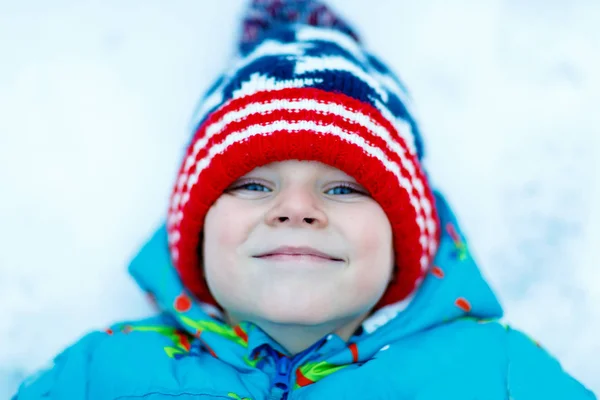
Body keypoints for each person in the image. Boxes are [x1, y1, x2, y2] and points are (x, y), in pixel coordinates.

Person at [13, 0, 596, 399]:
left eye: (343, 188)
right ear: (194, 229)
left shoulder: (500, 374)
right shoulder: (99, 373)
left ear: (402, 240)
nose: (295, 209)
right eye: (253, 184)